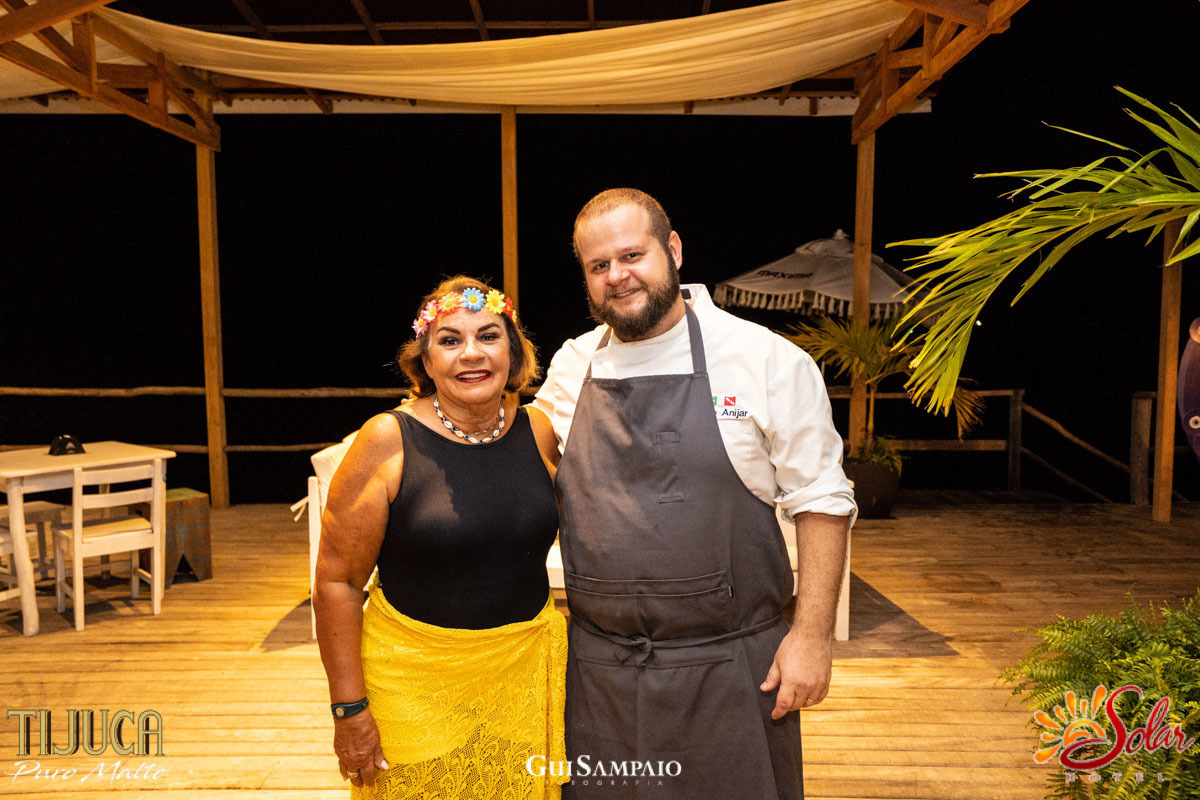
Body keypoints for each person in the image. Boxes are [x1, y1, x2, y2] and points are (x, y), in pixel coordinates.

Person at [532, 189, 856, 799]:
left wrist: (812, 637)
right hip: (598, 672)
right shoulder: (574, 364)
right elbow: (521, 465)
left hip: (731, 667)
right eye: (599, 265)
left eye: (632, 255)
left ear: (673, 249)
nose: (617, 276)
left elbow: (821, 501)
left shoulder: (765, 359)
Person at [314, 275, 568, 799]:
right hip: (412, 685)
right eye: (450, 340)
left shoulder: (539, 430)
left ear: (513, 352)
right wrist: (349, 709)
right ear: (426, 363)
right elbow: (337, 583)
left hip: (523, 677)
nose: (471, 353)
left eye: (488, 336)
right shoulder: (387, 439)